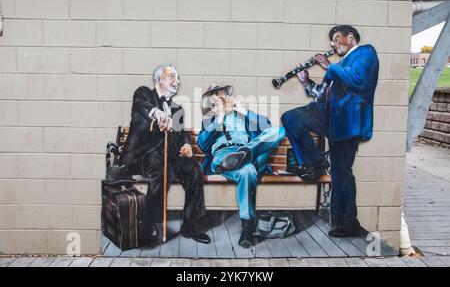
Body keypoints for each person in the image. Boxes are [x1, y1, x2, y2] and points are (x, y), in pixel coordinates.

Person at [281, 25, 379, 237]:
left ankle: (346, 223)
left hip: (348, 122)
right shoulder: (341, 65)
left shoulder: (366, 53)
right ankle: (316, 161)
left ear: (350, 37)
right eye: (332, 41)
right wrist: (307, 83)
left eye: (336, 39)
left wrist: (328, 66)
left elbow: (357, 80)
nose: (333, 44)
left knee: (341, 173)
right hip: (330, 116)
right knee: (291, 118)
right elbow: (322, 95)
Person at [119, 64, 210, 244]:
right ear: (158, 80)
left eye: (178, 78)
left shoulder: (177, 110)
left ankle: (190, 226)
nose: (177, 81)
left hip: (169, 157)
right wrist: (156, 113)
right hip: (144, 156)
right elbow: (141, 105)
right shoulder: (144, 93)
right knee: (160, 168)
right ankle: (147, 224)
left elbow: (181, 133)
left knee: (194, 170)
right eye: (172, 77)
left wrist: (186, 144)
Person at [197, 84, 285, 248]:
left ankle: (246, 152)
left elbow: (267, 127)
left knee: (279, 131)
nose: (225, 98)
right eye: (219, 96)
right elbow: (202, 144)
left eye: (225, 95)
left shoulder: (244, 118)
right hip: (223, 158)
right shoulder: (209, 121)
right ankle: (247, 230)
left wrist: (243, 111)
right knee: (248, 170)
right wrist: (220, 118)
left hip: (248, 153)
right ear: (213, 105)